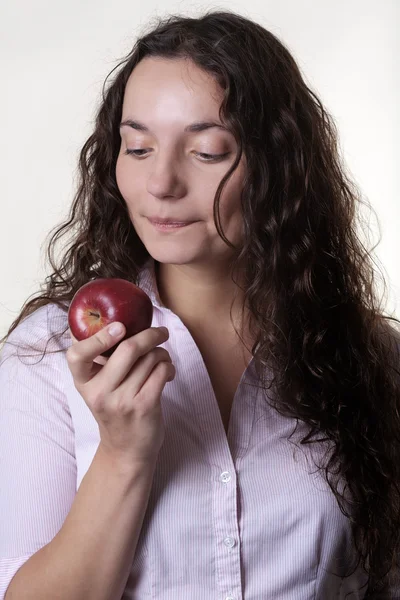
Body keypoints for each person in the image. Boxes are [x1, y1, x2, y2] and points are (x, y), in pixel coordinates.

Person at [0, 9, 399, 600]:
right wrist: (122, 455)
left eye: (207, 152)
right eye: (137, 148)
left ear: (279, 166)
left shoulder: (372, 359)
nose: (161, 182)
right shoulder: (46, 355)